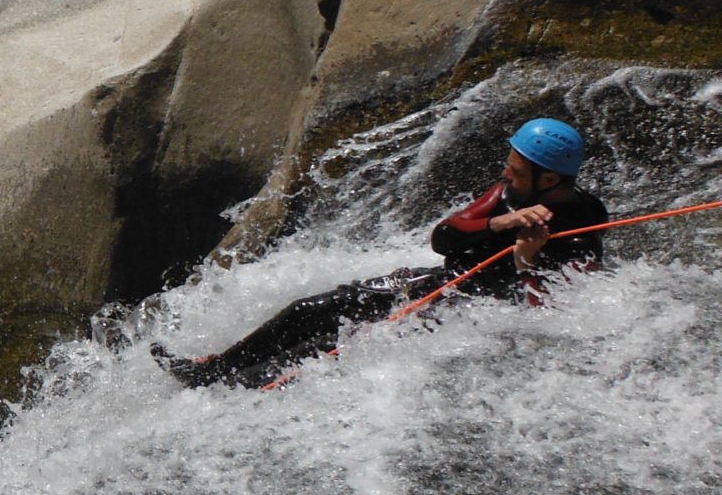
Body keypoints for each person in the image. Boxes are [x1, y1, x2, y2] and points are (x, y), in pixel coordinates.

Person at [152, 118, 609, 389]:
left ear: (548, 179)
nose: (505, 174)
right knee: (310, 309)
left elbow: (551, 312)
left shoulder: (585, 224)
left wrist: (525, 262)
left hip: (464, 314)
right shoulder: (511, 191)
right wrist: (498, 223)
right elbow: (444, 239)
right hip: (436, 282)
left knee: (324, 348)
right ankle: (213, 372)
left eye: (515, 168)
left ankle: (233, 392)